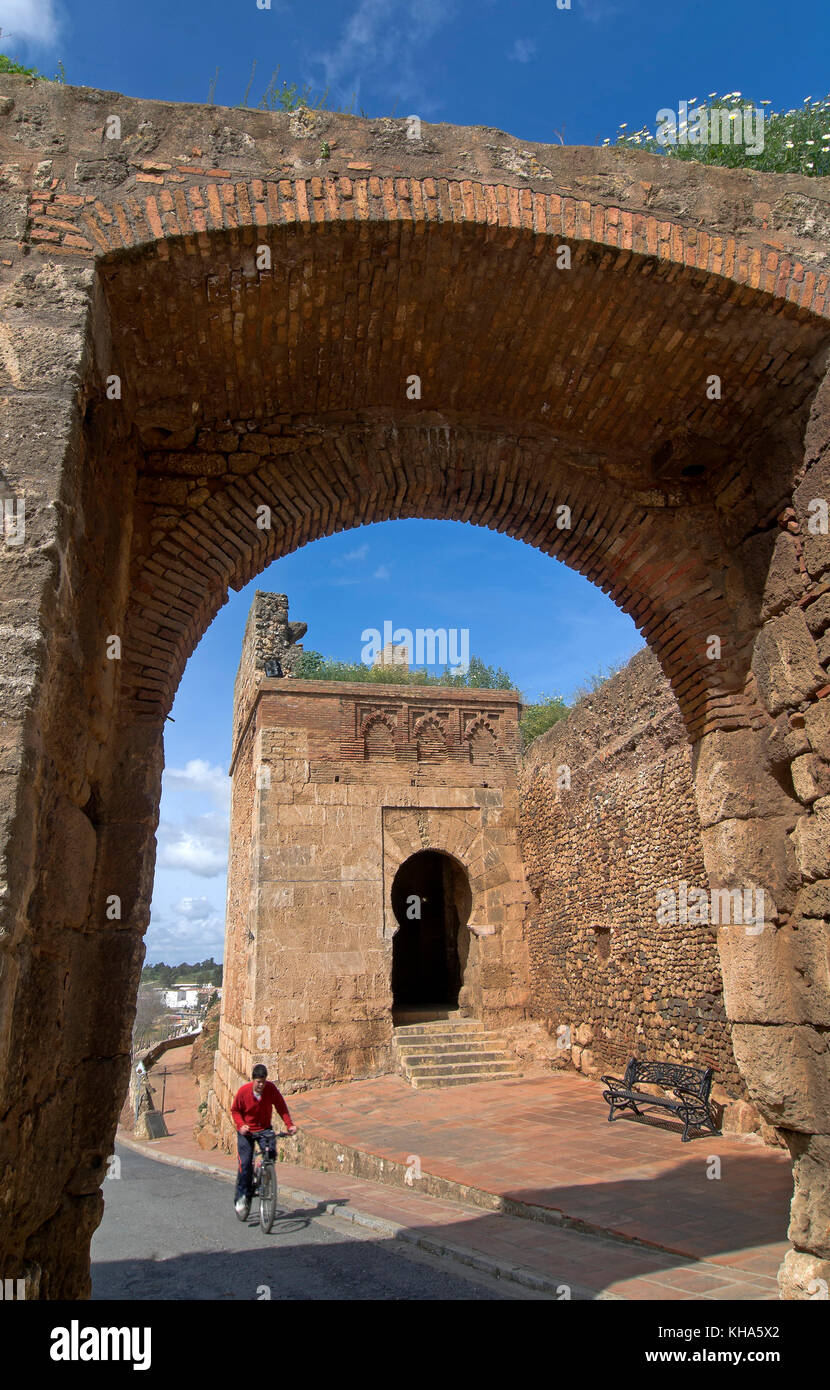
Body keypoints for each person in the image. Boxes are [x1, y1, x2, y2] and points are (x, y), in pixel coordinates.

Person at [231, 1063, 297, 1217]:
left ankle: (264, 1170)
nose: (261, 1085)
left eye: (263, 1081)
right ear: (253, 1080)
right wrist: (241, 1125)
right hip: (246, 1132)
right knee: (245, 1164)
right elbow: (235, 1110)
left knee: (271, 1152)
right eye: (258, 1082)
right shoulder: (243, 1092)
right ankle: (241, 1197)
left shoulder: (271, 1090)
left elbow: (281, 1106)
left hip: (264, 1129)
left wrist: (289, 1125)